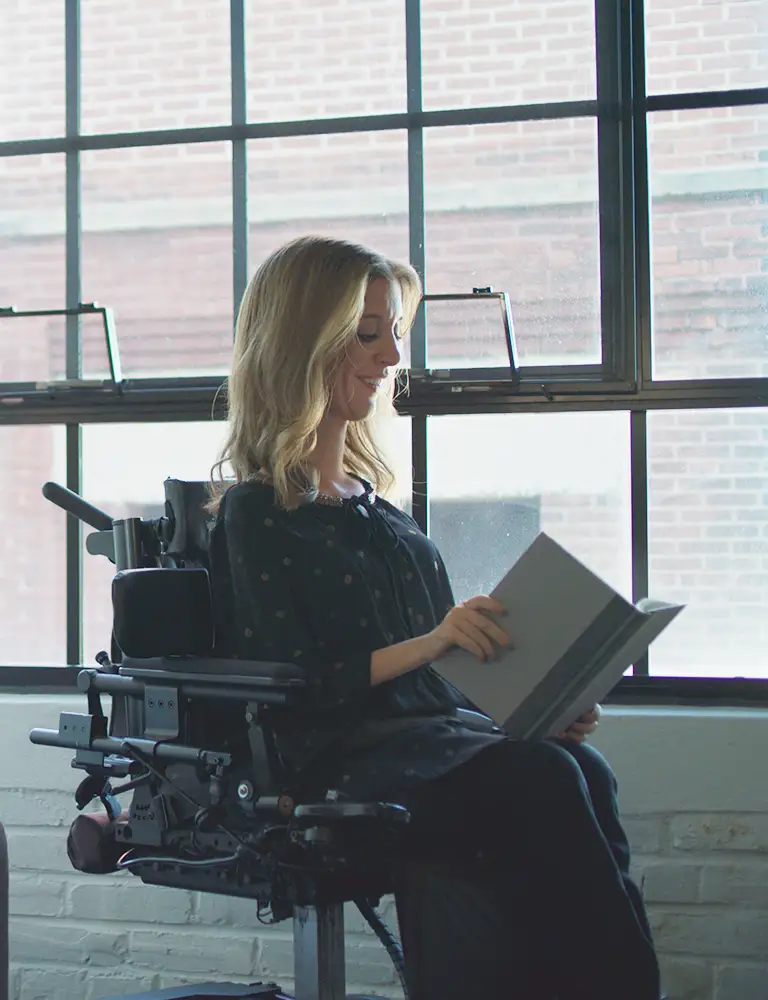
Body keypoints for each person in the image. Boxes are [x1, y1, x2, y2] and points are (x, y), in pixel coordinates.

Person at [206, 235, 662, 1000]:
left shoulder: (376, 507)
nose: (391, 356)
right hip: (337, 757)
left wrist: (528, 711)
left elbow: (436, 681)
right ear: (302, 343)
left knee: (583, 765)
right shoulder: (258, 514)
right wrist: (435, 642)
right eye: (368, 333)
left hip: (430, 740)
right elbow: (294, 682)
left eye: (395, 333)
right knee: (544, 779)